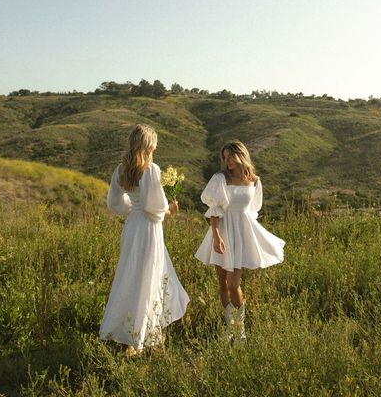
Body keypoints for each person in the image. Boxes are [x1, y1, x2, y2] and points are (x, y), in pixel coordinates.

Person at [99, 124, 189, 354]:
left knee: (129, 276)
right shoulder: (151, 169)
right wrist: (170, 209)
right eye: (153, 145)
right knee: (150, 277)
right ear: (147, 145)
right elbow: (154, 208)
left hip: (132, 228)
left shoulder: (121, 169)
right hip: (149, 229)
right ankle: (144, 336)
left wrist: (132, 209)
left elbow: (114, 203)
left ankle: (128, 335)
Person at [195, 140, 285, 341]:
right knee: (222, 284)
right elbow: (215, 210)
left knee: (233, 283)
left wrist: (252, 237)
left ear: (241, 155)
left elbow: (253, 211)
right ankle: (229, 329)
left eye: (231, 157)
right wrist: (216, 236)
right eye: (224, 158)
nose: (227, 161)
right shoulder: (220, 179)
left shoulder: (254, 180)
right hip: (222, 232)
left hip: (241, 234)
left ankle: (240, 330)